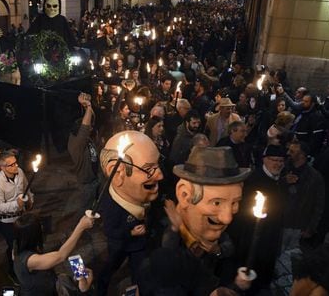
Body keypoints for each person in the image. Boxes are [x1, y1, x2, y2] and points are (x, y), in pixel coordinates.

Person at [161, 146, 252, 295]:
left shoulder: (221, 233)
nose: (227, 218)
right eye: (216, 203)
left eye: (234, 203)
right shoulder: (169, 240)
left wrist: (235, 285)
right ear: (184, 195)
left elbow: (229, 249)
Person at [97, 130, 164, 296]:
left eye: (158, 165)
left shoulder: (148, 198)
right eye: (148, 169)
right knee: (111, 265)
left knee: (140, 274)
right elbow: (110, 230)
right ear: (117, 173)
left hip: (139, 246)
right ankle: (99, 288)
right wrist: (129, 232)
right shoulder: (110, 204)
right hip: (120, 244)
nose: (160, 175)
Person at [228, 144, 288, 295]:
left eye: (281, 161)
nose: (278, 164)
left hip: (270, 235)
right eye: (274, 159)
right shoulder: (254, 181)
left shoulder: (280, 179)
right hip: (251, 237)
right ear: (264, 160)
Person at [13, 212, 94, 296]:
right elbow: (61, 256)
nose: (43, 227)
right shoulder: (29, 260)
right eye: (40, 227)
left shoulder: (19, 245)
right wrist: (81, 227)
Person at [0, 149, 33, 282]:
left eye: (16, 163)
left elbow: (27, 189)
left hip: (22, 216)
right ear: (2, 167)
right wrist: (16, 204)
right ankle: (13, 271)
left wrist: (30, 200)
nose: (16, 166)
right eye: (11, 165)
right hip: (8, 222)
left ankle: (27, 265)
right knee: (14, 246)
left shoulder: (20, 172)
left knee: (26, 242)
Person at [67, 93, 100, 211]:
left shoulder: (86, 139)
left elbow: (90, 122)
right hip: (86, 184)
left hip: (95, 179)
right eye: (89, 127)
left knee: (95, 205)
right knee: (85, 210)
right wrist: (89, 106)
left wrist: (87, 108)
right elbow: (85, 127)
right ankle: (83, 227)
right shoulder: (76, 143)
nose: (92, 128)